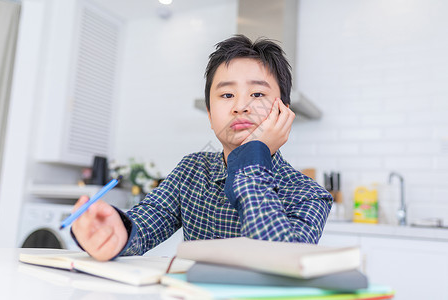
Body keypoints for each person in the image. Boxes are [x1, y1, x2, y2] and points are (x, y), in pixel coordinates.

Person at [71, 35, 333, 261]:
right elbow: (146, 223)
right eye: (227, 95)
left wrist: (254, 154)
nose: (240, 106)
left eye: (257, 94)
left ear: (282, 111)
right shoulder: (192, 170)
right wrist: (116, 233)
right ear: (209, 114)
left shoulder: (309, 194)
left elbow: (280, 262)